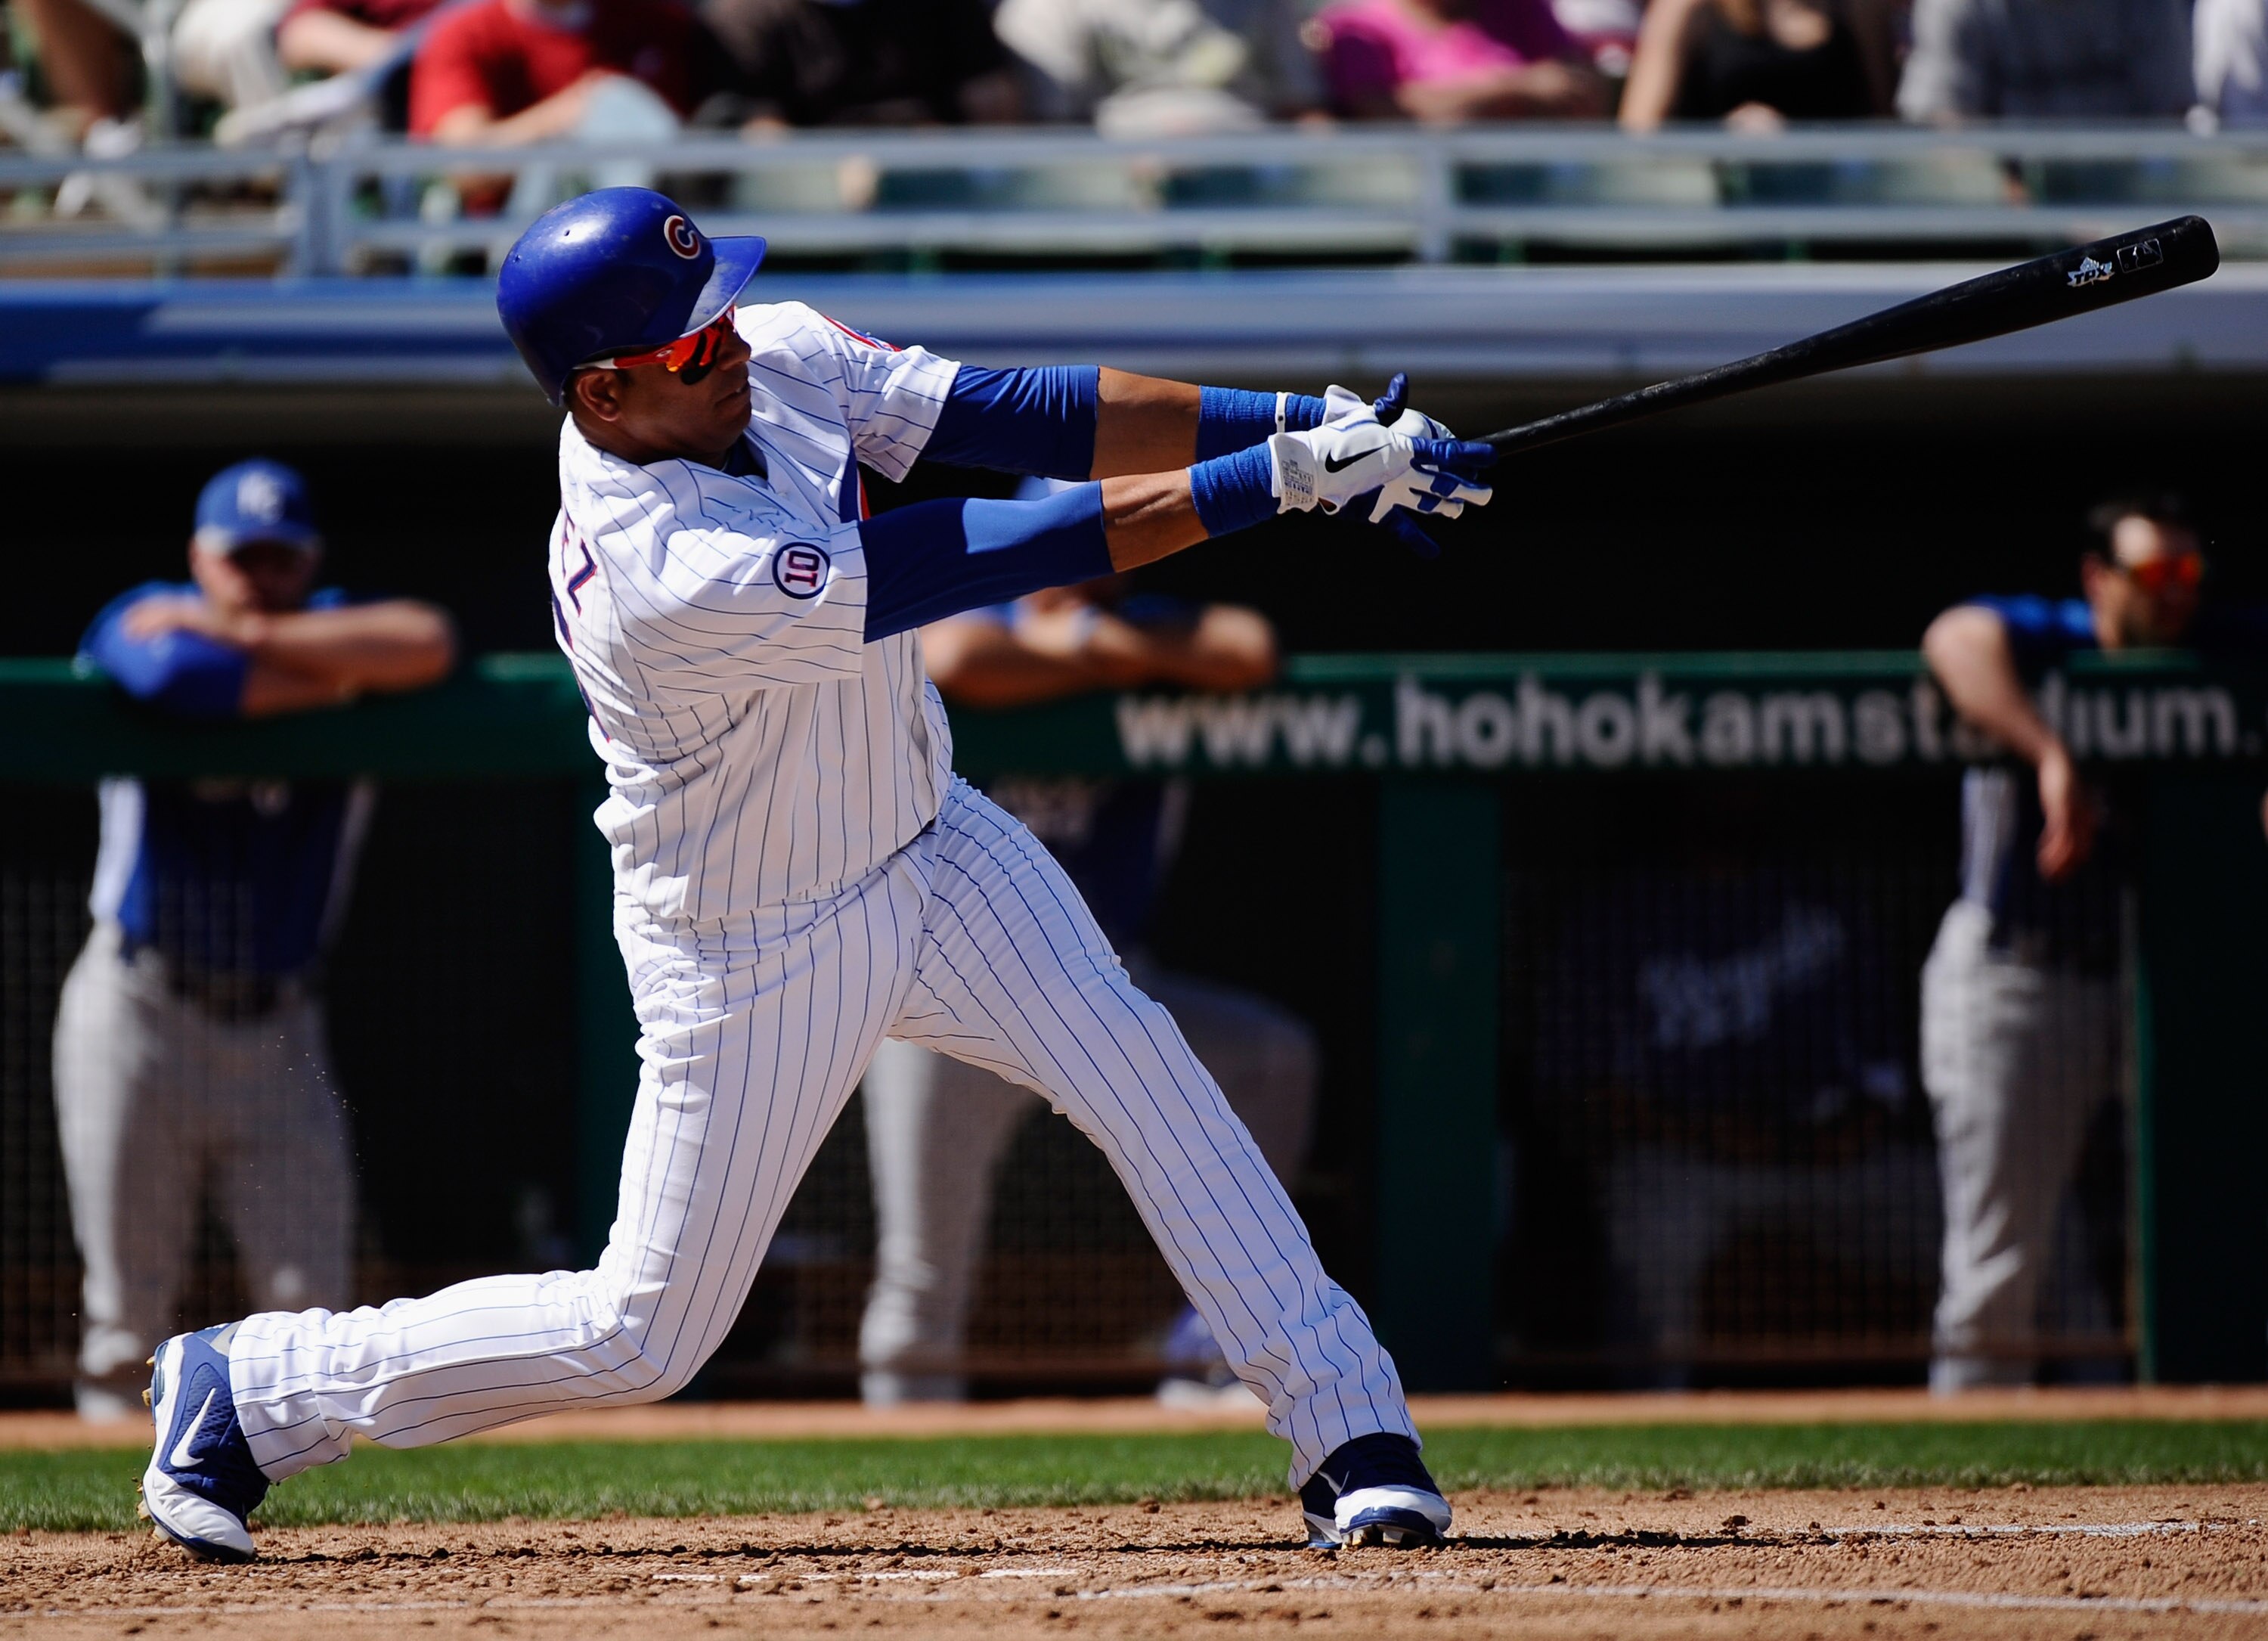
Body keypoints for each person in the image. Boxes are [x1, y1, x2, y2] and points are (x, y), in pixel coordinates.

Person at [132, 185, 1495, 1562]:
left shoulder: (759, 348)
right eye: (687, 345)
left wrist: (1298, 422)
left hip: (931, 836)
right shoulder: (656, 561)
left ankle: (1354, 1437)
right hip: (755, 932)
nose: (726, 345)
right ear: (604, 396)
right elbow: (965, 554)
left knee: (1152, 1083)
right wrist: (1277, 482)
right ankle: (254, 1386)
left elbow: (1012, 413)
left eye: (717, 310)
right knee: (642, 1335)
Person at [857, 575, 1321, 1408]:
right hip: (945, 999)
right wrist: (1096, 655)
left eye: (1087, 561)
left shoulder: (1145, 622)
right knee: (920, 1278)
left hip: (1105, 984)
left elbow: (1248, 649)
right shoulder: (975, 615)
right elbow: (953, 655)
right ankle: (898, 1502)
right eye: (1050, 556)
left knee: (1270, 1057)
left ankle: (1209, 1344)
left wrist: (1106, 643)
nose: (1064, 582)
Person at [60, 460, 455, 1422]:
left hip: (282, 1022)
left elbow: (428, 643)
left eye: (280, 561)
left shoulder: (312, 620)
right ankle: (111, 1545)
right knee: (125, 1320)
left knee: (308, 1310)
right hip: (138, 1005)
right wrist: (337, 677)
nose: (259, 577)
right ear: (201, 558)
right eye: (240, 563)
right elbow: (169, 672)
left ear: (308, 563)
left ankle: (296, 1538)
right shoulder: (153, 610)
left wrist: (251, 636)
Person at [1916, 497, 2250, 1390]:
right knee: (1998, 1266)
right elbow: (1953, 636)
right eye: (2153, 576)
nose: (2176, 594)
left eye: (2188, 573)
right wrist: (2048, 751)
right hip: (2018, 973)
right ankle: (1949, 1515)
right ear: (2102, 580)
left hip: (2158, 982)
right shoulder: (2052, 637)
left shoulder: (2222, 644)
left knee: (2191, 1242)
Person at [407, 0, 730, 146]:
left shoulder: (663, 23)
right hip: (517, 242)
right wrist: (565, 117)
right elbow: (465, 163)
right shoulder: (466, 34)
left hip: (662, 231)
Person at [993, 0, 1326, 135]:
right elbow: (1054, 131)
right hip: (1115, 189)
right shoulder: (1044, 9)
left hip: (1249, 180)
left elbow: (1302, 110)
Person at [698, 0, 1021, 128]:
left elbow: (992, 108)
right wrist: (831, 177)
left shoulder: (948, 8)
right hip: (811, 223)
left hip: (942, 197)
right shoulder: (745, 18)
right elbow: (763, 138)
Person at [1311, 0, 1608, 122]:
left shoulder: (1521, 9)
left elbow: (1581, 88)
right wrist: (1515, 85)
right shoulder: (1356, 25)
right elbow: (1382, 110)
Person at [1897, 0, 2192, 121]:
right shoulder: (1958, 6)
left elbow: (2172, 119)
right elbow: (1944, 126)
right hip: (2006, 230)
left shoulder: (2150, 6)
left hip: (2129, 216)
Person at [1617, 0, 1884, 131]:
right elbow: (1639, 133)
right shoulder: (1686, 8)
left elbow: (1882, 124)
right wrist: (1720, 140)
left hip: (1828, 209)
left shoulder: (1856, 9)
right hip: (1717, 210)